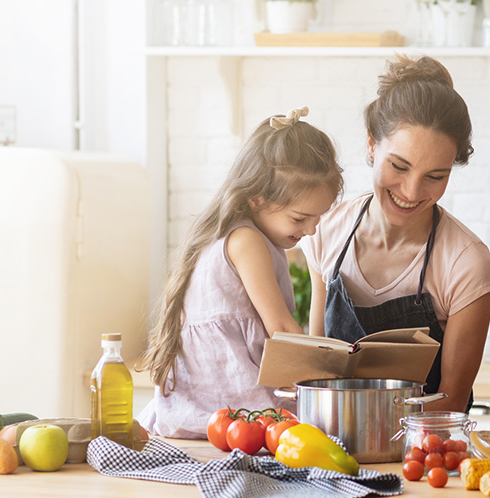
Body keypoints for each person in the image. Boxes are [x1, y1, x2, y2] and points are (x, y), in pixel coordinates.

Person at [303, 55, 490, 413]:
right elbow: (318, 373)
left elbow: (451, 402)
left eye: (435, 177)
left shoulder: (466, 262)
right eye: (399, 166)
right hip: (332, 447)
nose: (411, 191)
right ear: (372, 144)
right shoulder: (325, 231)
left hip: (423, 453)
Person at [138, 107, 343, 438]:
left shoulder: (239, 233)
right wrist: (326, 377)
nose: (311, 230)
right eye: (300, 219)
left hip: (208, 405)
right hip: (231, 402)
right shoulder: (246, 240)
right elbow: (280, 328)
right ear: (257, 199)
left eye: (317, 219)